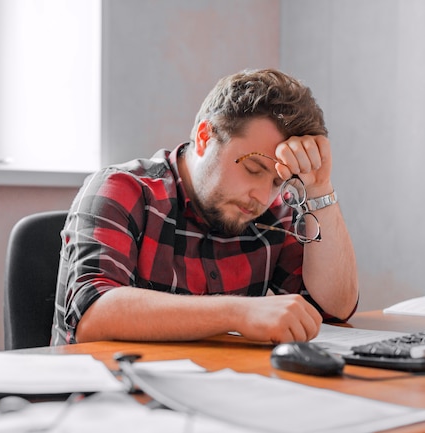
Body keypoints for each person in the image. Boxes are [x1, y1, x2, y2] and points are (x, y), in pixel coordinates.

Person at [51, 68, 359, 346]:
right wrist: (238, 312)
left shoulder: (274, 213)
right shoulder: (121, 189)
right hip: (105, 399)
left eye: (279, 182)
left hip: (213, 393)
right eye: (253, 169)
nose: (263, 197)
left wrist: (320, 187)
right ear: (204, 137)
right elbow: (91, 314)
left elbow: (333, 308)